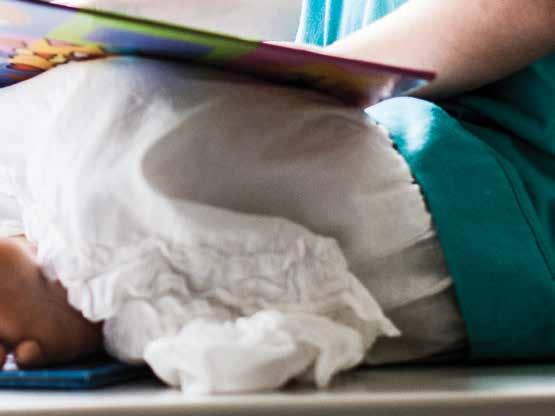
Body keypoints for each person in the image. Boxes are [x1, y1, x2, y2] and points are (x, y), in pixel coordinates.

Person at [0, 0, 552, 391]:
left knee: (122, 110)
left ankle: (78, 288)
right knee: (55, 107)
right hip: (376, 134)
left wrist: (308, 79)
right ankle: (64, 262)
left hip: (491, 184)